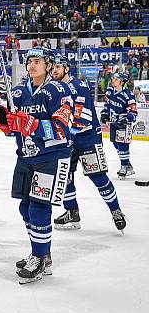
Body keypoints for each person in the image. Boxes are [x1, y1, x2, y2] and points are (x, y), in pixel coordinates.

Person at [0, 47, 73, 284]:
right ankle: (40, 252)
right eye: (29, 61)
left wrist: (31, 124)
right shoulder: (17, 92)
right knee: (25, 208)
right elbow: (16, 129)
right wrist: (7, 125)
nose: (32, 65)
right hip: (26, 157)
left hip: (52, 156)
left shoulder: (59, 90)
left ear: (48, 65)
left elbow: (61, 129)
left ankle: (39, 257)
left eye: (37, 61)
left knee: (38, 207)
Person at [50, 54, 126, 232]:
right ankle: (72, 211)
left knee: (98, 176)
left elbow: (82, 117)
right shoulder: (55, 87)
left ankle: (116, 210)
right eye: (52, 67)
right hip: (68, 140)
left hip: (87, 138)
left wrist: (64, 134)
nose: (54, 71)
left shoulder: (79, 86)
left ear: (66, 69)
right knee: (64, 176)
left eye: (58, 67)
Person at [101, 71, 137, 178]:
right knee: (115, 144)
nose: (113, 80)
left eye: (116, 79)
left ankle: (124, 166)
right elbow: (107, 105)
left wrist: (127, 118)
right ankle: (127, 164)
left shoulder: (128, 94)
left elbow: (134, 111)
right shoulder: (109, 91)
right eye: (113, 79)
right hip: (113, 122)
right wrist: (104, 114)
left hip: (124, 123)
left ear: (121, 82)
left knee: (122, 145)